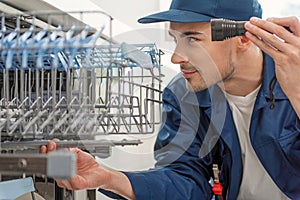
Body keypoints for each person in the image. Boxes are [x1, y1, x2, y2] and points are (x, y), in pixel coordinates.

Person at [41, 0, 300, 199]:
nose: (176, 58)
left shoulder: (295, 80)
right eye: (176, 39)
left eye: (192, 39)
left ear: (243, 36)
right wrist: (107, 177)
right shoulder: (185, 95)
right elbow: (185, 179)